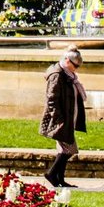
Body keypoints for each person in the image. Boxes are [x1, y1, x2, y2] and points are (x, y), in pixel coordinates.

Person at [39, 47, 87, 189]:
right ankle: (51, 174)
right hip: (60, 119)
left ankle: (60, 180)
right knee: (69, 149)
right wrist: (58, 118)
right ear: (67, 60)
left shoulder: (68, 75)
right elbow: (51, 98)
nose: (76, 69)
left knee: (63, 150)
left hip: (67, 117)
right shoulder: (57, 75)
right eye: (75, 65)